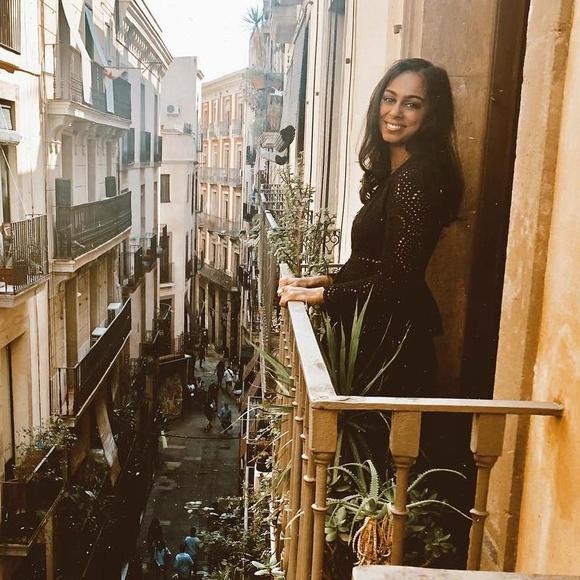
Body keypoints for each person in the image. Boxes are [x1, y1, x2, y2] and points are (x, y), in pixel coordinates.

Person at [278, 58, 463, 401]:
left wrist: (323, 297)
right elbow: (375, 261)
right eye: (389, 99)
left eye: (412, 104)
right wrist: (324, 280)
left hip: (389, 351)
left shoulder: (416, 179)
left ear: (431, 115)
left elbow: (398, 281)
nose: (395, 112)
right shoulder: (399, 173)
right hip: (380, 339)